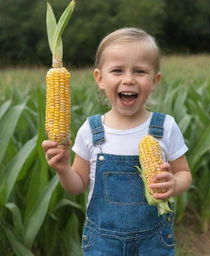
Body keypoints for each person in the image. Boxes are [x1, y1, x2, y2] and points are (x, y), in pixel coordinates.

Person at [42, 27, 192, 256]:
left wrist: (174, 183)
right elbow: (78, 185)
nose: (129, 79)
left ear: (154, 80)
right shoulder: (91, 131)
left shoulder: (165, 127)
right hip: (103, 243)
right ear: (100, 78)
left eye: (140, 71)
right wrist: (63, 168)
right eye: (118, 71)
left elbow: (184, 173)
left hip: (154, 242)